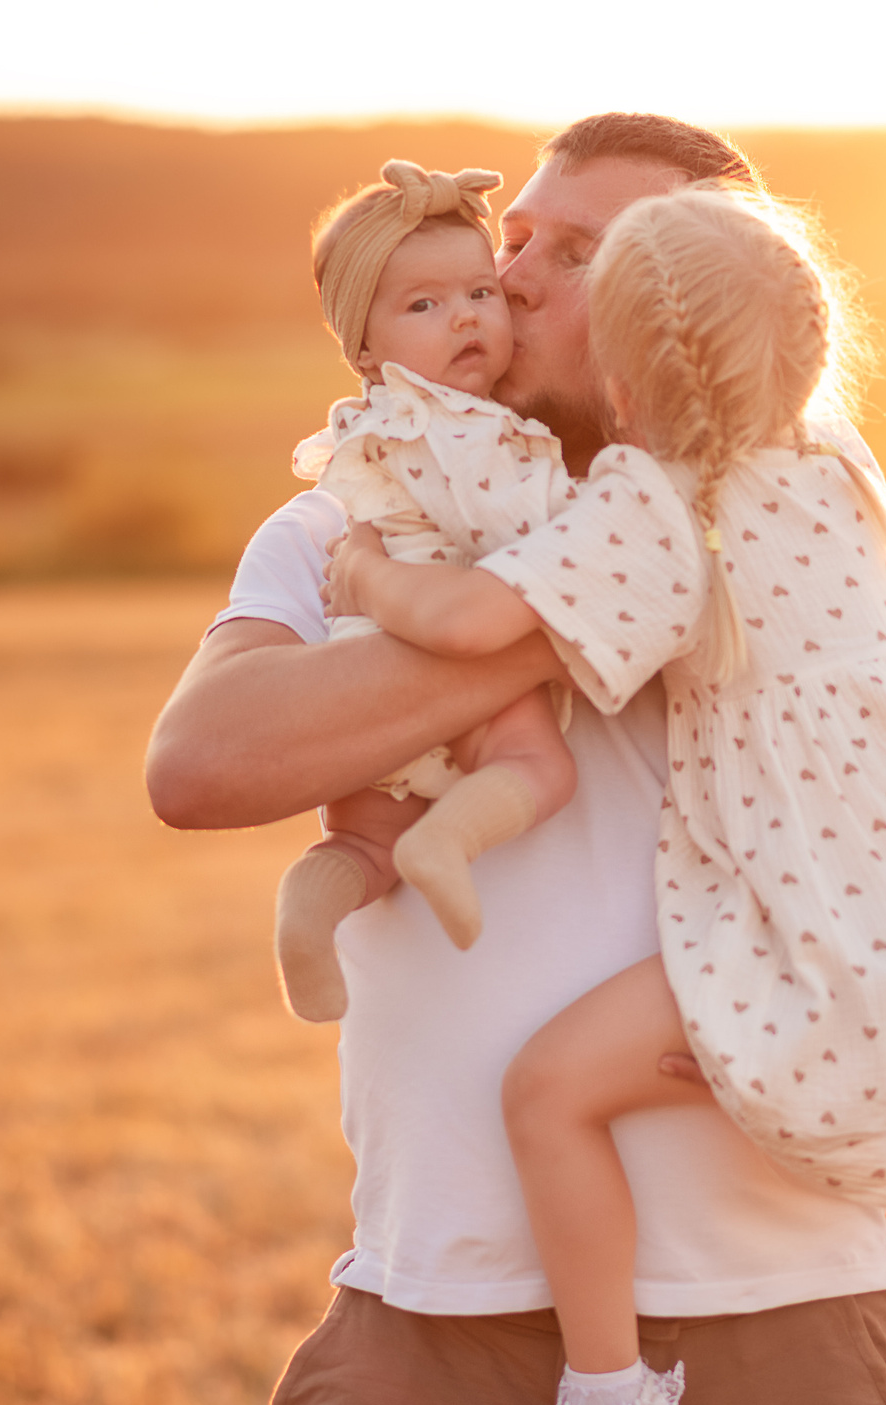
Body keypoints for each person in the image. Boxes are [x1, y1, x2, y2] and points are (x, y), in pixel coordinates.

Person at [145, 113, 886, 1405]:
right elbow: (204, 763)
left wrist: (645, 559)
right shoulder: (357, 519)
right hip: (422, 1340)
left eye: (590, 255)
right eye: (529, 241)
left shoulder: (826, 542)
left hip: (777, 1341)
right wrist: (572, 605)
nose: (523, 274)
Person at [336, 186, 886, 1405]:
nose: (517, 288)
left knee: (549, 1088)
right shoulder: (836, 470)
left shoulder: (657, 502)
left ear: (628, 377)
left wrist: (361, 566)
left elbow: (472, 618)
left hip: (817, 942)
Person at [271, 159, 577, 1022]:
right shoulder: (468, 430)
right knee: (536, 763)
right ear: (362, 348)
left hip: (363, 657)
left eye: (482, 292)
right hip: (448, 631)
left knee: (363, 835)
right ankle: (449, 839)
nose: (467, 318)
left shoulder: (364, 429)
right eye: (424, 306)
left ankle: (311, 905)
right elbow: (503, 523)